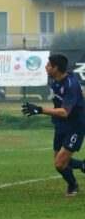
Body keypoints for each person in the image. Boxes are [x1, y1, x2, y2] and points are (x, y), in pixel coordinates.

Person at [22, 54, 85, 196]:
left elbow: (64, 112)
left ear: (56, 68)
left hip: (75, 127)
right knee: (59, 162)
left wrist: (40, 109)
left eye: (49, 65)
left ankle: (73, 186)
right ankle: (82, 165)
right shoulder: (55, 82)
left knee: (59, 164)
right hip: (60, 125)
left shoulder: (70, 84)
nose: (46, 67)